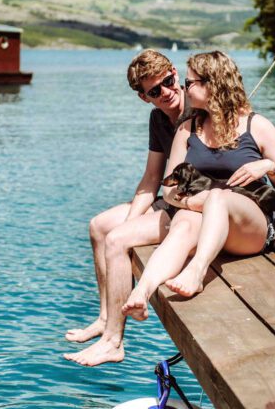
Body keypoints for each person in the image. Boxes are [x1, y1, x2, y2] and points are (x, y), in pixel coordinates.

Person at [122, 51, 275, 323]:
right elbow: (169, 188)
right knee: (184, 221)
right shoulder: (188, 128)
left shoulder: (256, 125)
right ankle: (142, 292)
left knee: (219, 197)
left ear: (213, 83)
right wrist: (190, 203)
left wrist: (268, 166)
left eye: (190, 82)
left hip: (249, 226)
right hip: (205, 218)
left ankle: (197, 271)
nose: (183, 88)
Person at [63, 49, 193, 366]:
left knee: (117, 241)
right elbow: (151, 178)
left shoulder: (198, 107)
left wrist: (126, 231)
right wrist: (131, 220)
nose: (166, 92)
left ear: (175, 73)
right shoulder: (158, 119)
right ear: (143, 97)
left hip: (191, 208)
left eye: (168, 81)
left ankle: (113, 342)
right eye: (154, 91)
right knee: (100, 226)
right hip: (170, 200)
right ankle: (105, 317)